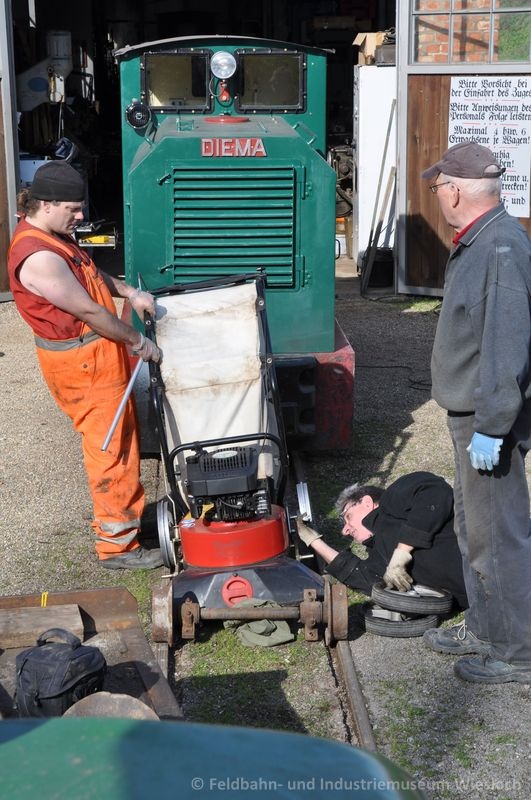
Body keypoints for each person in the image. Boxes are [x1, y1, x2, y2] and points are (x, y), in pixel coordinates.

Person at [8, 160, 164, 570]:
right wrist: (138, 342)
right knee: (109, 447)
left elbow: (91, 273)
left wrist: (130, 292)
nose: (80, 216)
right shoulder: (37, 257)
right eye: (73, 209)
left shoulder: (55, 236)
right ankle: (117, 546)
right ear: (45, 204)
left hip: (97, 356)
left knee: (124, 438)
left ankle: (128, 520)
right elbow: (90, 311)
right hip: (82, 363)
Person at [421, 140, 531, 684]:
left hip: (489, 422)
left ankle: (518, 650)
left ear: (456, 191)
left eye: (438, 185)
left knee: (498, 536)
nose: (437, 194)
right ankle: (488, 626)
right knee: (473, 527)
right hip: (473, 418)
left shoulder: (499, 248)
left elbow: (506, 346)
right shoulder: (483, 240)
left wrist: (492, 425)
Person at [296, 471, 468, 610]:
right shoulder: (378, 556)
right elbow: (359, 576)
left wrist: (403, 551)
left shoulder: (392, 499)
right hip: (472, 595)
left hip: (476, 559)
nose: (345, 530)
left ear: (366, 502)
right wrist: (313, 540)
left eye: (347, 516)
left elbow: (434, 491)